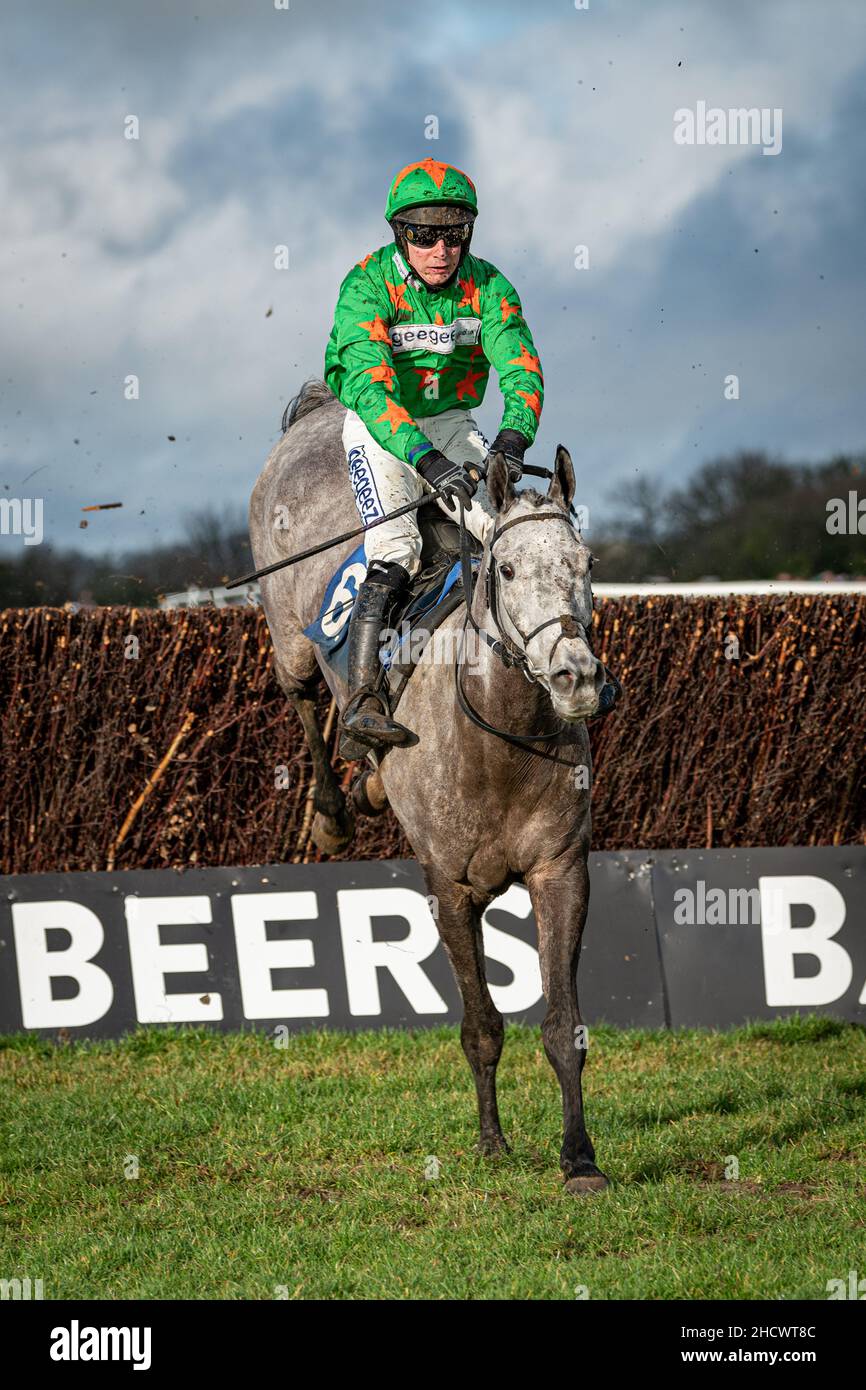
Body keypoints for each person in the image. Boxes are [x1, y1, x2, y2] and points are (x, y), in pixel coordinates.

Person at [324, 157, 544, 757]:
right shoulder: (366, 286)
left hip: (451, 422)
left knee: (506, 532)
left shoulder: (490, 286)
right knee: (399, 550)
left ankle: (554, 666)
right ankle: (363, 701)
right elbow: (370, 390)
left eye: (455, 232)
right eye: (424, 234)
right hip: (381, 426)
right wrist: (424, 459)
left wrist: (513, 438)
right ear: (400, 233)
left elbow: (520, 367)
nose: (441, 248)